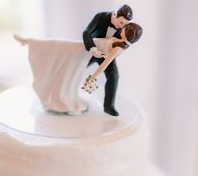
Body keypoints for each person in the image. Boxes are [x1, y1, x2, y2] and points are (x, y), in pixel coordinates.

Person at [14, 22, 142, 117]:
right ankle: (29, 41)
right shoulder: (120, 40)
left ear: (128, 33)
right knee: (58, 45)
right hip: (84, 48)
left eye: (126, 27)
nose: (123, 27)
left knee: (63, 57)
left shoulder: (119, 48)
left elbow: (106, 63)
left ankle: (61, 99)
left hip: (83, 52)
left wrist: (93, 76)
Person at [83, 5, 133, 116]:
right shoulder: (100, 17)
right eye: (121, 23)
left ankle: (109, 106)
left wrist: (109, 55)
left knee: (113, 75)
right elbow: (86, 32)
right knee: (78, 68)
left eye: (125, 24)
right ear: (115, 15)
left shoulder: (124, 28)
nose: (122, 27)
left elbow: (119, 47)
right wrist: (93, 49)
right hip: (91, 50)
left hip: (105, 55)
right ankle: (70, 93)